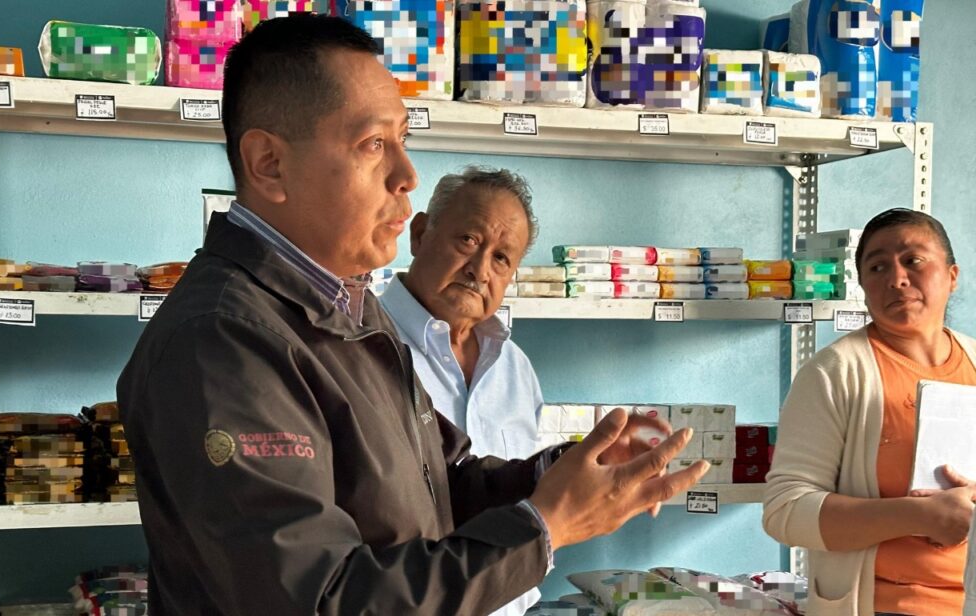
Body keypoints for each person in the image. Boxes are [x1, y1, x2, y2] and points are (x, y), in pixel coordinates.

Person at [117, 14, 707, 615]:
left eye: (402, 140)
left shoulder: (347, 304)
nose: (406, 175)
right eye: (374, 144)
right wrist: (544, 527)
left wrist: (561, 474)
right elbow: (324, 599)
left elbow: (439, 481)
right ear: (269, 163)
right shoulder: (223, 340)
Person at [764, 208, 976, 616]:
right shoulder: (835, 373)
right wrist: (919, 516)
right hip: (885, 606)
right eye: (877, 267)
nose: (896, 278)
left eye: (913, 260)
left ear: (952, 276)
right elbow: (785, 510)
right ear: (862, 286)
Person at [379, 166, 545, 614]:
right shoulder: (360, 345)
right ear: (419, 235)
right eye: (468, 240)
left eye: (501, 258)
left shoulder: (516, 369)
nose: (479, 270)